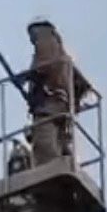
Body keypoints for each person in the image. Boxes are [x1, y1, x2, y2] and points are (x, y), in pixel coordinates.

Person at [24, 19, 90, 166]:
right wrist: (74, 104)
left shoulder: (45, 42)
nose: (32, 39)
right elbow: (81, 85)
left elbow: (42, 68)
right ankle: (65, 162)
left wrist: (27, 77)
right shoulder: (63, 55)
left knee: (44, 145)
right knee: (60, 145)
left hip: (48, 106)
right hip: (62, 109)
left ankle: (50, 170)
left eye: (32, 34)